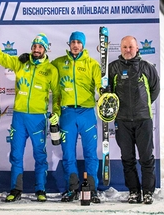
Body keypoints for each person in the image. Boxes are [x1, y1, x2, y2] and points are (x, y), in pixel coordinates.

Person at [0, 24, 60, 202]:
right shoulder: (21, 63)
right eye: (34, 46)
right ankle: (16, 189)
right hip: (19, 117)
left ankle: (40, 189)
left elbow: (57, 95)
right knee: (16, 154)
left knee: (40, 156)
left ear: (45, 49)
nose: (36, 49)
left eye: (40, 46)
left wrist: (56, 112)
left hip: (38, 119)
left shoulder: (51, 70)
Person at [50, 31, 102, 203]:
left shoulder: (92, 64)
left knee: (90, 154)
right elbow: (42, 68)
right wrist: (27, 57)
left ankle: (91, 189)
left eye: (79, 42)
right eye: (73, 42)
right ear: (69, 44)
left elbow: (101, 86)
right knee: (68, 154)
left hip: (87, 113)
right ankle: (72, 188)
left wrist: (104, 90)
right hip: (67, 114)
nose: (75, 45)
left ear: (83, 45)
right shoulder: (58, 63)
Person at [108, 35, 160, 205]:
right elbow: (108, 92)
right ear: (120, 49)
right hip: (122, 121)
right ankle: (134, 192)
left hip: (143, 119)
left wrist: (142, 105)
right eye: (124, 47)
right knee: (127, 159)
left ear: (137, 48)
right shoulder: (113, 68)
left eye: (130, 47)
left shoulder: (146, 67)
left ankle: (148, 192)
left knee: (146, 158)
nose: (127, 50)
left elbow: (154, 89)